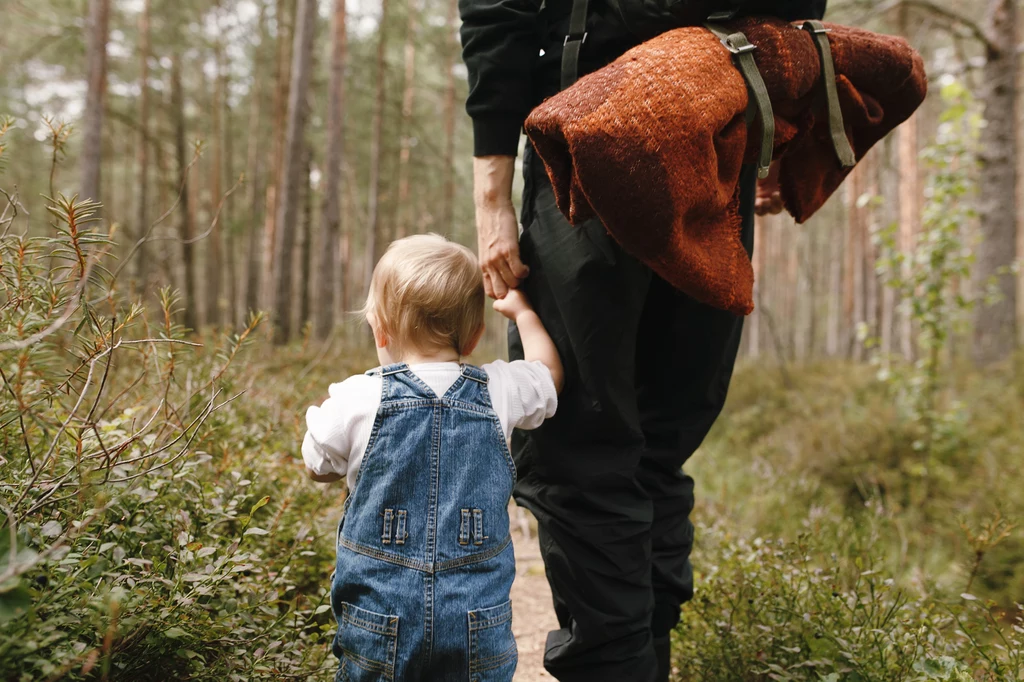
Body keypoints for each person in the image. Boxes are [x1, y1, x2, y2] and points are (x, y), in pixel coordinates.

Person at [458, 1, 826, 680]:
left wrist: (491, 192)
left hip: (607, 129)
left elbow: (499, 8)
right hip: (710, 120)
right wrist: (785, 123)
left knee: (584, 445)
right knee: (649, 447)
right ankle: (638, 662)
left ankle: (623, 666)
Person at [301, 233, 563, 680]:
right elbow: (550, 375)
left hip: (377, 621)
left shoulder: (359, 398)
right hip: (477, 624)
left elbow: (317, 463)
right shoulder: (499, 391)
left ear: (380, 329)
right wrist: (522, 313)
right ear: (476, 335)